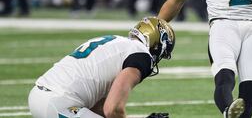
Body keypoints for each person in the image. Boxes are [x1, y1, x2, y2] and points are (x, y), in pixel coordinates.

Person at [28, 17, 175, 118]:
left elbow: (99, 110)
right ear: (158, 44)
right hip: (59, 102)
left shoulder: (117, 42)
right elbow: (112, 110)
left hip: (40, 96)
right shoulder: (141, 56)